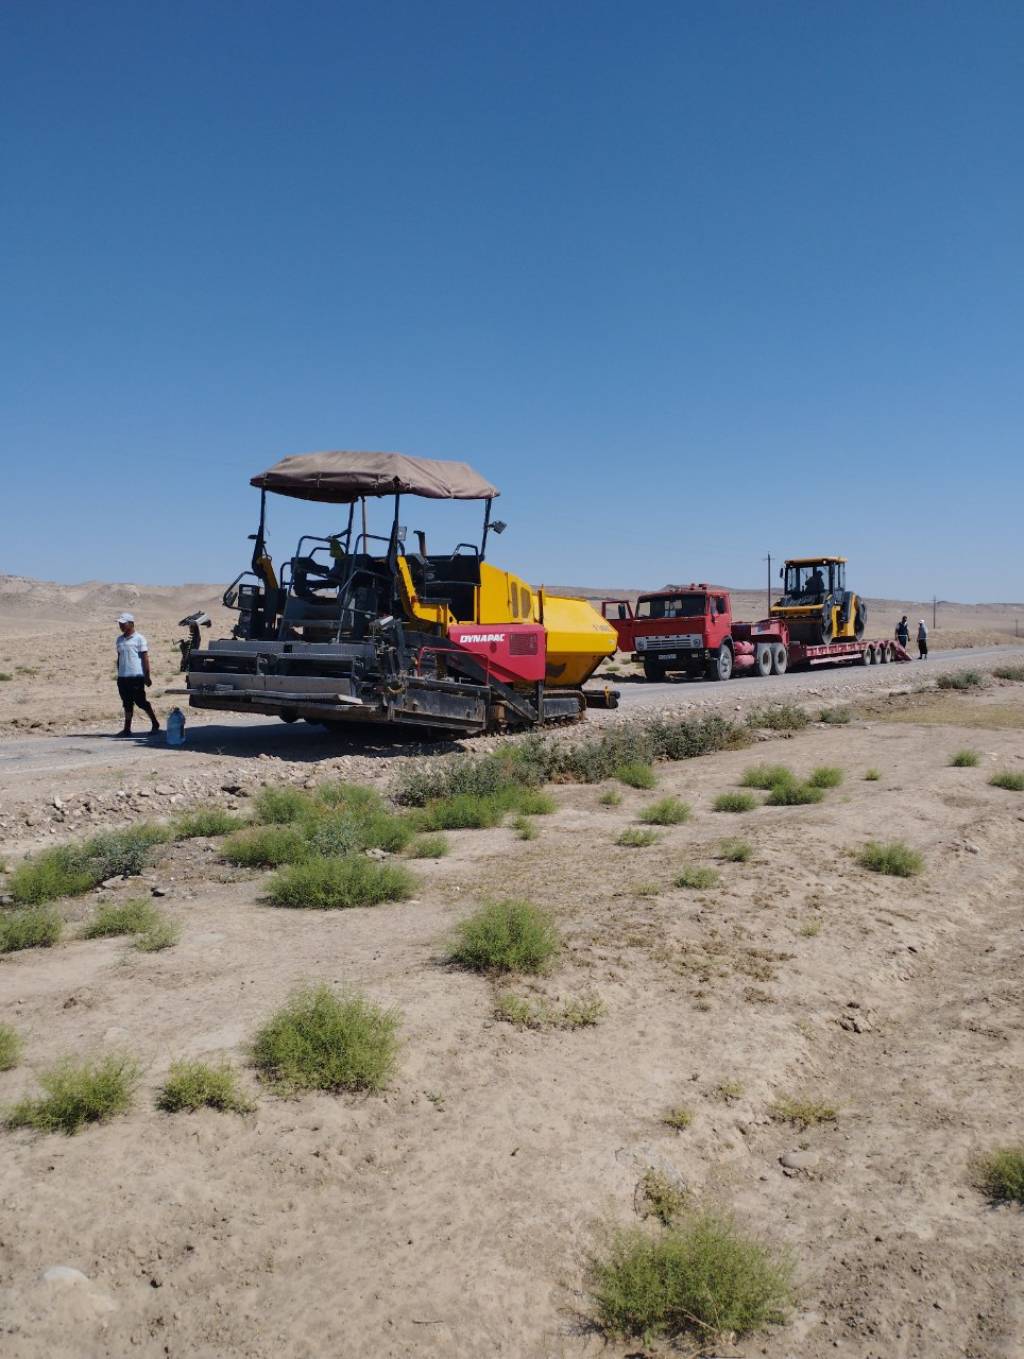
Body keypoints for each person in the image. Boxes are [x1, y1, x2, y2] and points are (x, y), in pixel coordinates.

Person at [115, 612, 160, 735]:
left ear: (131, 623)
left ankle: (155, 723)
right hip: (123, 677)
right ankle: (127, 728)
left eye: (123, 623)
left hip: (136, 676)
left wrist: (147, 676)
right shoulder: (119, 640)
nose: (120, 626)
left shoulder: (139, 638)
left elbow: (145, 658)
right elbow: (119, 658)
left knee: (141, 702)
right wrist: (119, 673)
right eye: (120, 624)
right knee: (127, 703)